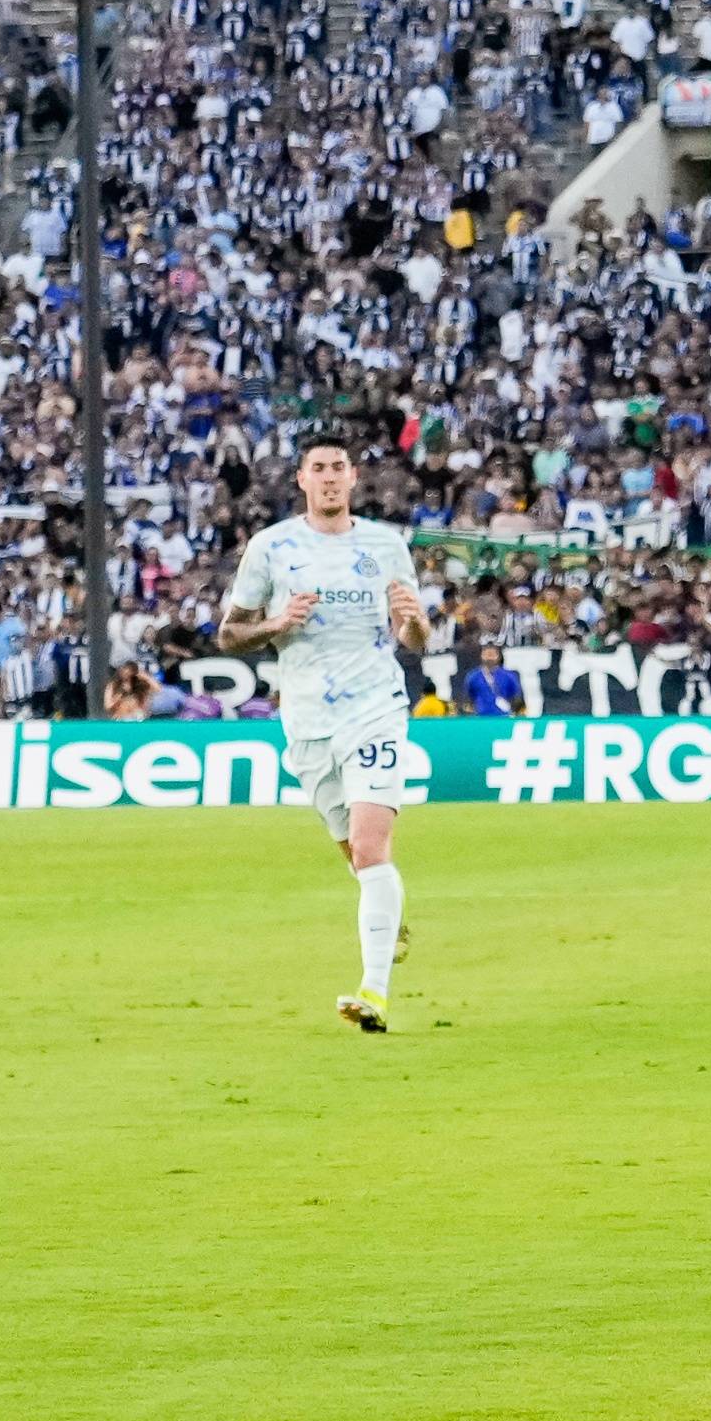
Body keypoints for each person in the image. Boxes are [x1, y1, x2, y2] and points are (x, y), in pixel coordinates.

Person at [217, 437, 428, 1031]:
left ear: (354, 477)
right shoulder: (272, 547)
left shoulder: (386, 545)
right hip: (307, 720)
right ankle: (387, 919)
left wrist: (414, 622)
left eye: (340, 468)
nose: (331, 478)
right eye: (320, 470)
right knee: (357, 859)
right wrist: (278, 622)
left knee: (369, 847)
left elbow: (416, 639)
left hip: (375, 708)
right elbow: (229, 635)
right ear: (302, 480)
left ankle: (375, 992)